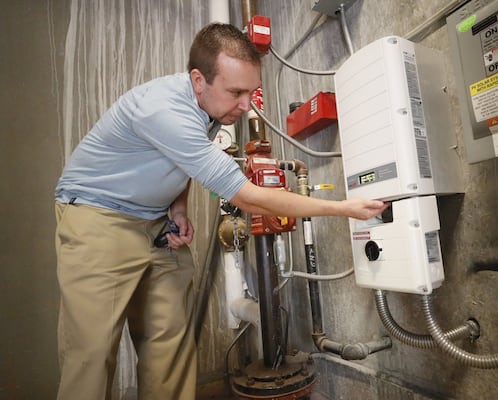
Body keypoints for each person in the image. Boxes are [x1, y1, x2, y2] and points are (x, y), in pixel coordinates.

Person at [54, 22, 387, 400]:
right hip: (99, 216)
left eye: (251, 92)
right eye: (236, 92)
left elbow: (179, 164)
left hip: (156, 222)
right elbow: (249, 197)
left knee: (170, 345)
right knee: (91, 356)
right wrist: (343, 207)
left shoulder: (209, 110)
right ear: (199, 80)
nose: (246, 105)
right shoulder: (164, 110)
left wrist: (177, 207)